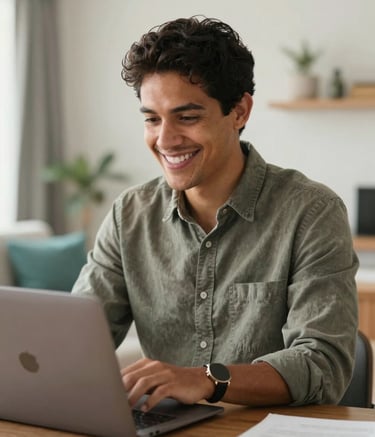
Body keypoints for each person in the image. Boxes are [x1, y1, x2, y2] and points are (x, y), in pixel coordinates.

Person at [72, 16, 358, 412]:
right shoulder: (129, 215)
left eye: (187, 117)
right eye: (152, 119)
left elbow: (322, 366)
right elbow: (75, 342)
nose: (166, 140)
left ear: (239, 111)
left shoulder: (312, 212)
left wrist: (204, 380)